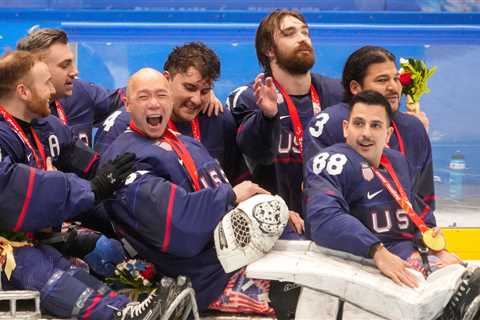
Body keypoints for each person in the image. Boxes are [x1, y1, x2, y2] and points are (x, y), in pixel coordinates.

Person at [101, 68, 292, 317]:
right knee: (307, 299)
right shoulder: (122, 158)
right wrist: (231, 196)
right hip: (210, 281)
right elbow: (179, 227)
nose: (155, 103)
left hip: (248, 257)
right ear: (127, 104)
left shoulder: (188, 142)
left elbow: (237, 196)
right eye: (144, 97)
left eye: (161, 95)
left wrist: (276, 214)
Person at [0, 50, 174, 320]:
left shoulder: (46, 126)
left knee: (83, 259)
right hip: (8, 249)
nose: (52, 90)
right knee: (34, 265)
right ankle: (121, 316)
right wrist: (90, 189)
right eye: (45, 83)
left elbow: (92, 166)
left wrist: (129, 183)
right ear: (23, 91)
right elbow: (12, 188)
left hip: (34, 239)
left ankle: (128, 308)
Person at [303, 90, 478, 319]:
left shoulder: (396, 161)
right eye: (358, 124)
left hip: (410, 262)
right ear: (346, 128)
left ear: (388, 134)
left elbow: (412, 208)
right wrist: (377, 251)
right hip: (367, 266)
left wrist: (432, 243)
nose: (365, 133)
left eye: (375, 126)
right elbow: (323, 218)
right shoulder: (331, 161)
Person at [228, 9, 344, 222]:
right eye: (290, 33)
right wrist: (268, 116)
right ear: (269, 49)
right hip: (272, 223)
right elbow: (254, 154)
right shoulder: (248, 98)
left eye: (305, 33)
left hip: (332, 218)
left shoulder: (338, 95)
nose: (302, 39)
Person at [303, 46, 435, 212]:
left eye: (396, 79)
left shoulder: (414, 129)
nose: (393, 88)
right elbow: (317, 196)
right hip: (348, 232)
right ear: (355, 88)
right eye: (382, 80)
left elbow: (424, 204)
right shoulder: (328, 125)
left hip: (402, 235)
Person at [95, 42, 249, 184]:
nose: (196, 99)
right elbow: (100, 192)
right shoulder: (123, 125)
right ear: (166, 79)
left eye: (205, 91)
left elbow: (236, 183)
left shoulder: (219, 120)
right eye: (189, 88)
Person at [16, 28, 125, 146]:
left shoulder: (80, 93)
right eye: (65, 65)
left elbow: (131, 99)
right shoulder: (11, 117)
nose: (75, 72)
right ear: (39, 69)